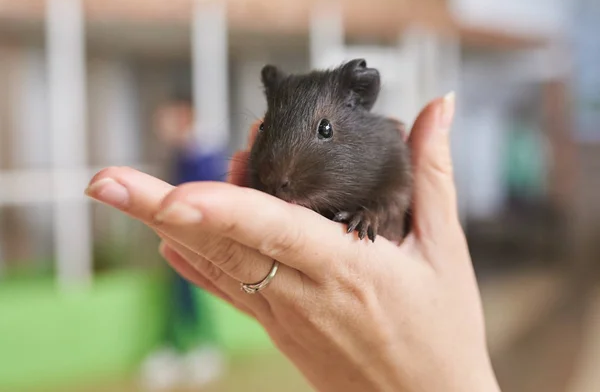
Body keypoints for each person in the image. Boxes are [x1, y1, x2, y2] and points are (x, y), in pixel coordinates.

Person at [85, 93, 502, 392]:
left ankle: (198, 350)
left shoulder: (208, 150)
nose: (165, 126)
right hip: (197, 236)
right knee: (185, 290)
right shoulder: (185, 152)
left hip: (212, 226)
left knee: (191, 295)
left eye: (170, 118)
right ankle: (184, 349)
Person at [138, 98, 226, 390]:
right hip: (175, 239)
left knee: (192, 297)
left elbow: (206, 195)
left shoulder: (204, 155)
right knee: (174, 299)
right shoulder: (179, 155)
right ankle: (175, 351)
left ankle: (204, 350)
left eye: (171, 119)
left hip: (197, 241)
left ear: (186, 117)